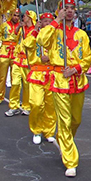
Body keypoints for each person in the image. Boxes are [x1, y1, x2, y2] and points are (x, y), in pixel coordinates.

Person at [37, 0, 91, 177]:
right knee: (65, 121)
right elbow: (41, 40)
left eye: (71, 8)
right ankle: (70, 160)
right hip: (59, 80)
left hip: (77, 80)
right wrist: (56, 21)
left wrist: (75, 69)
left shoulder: (81, 34)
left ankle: (66, 142)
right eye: (65, 8)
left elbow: (87, 58)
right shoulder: (53, 31)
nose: (69, 11)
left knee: (76, 120)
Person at [24, 12, 58, 145]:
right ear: (40, 23)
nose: (48, 23)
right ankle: (36, 130)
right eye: (45, 21)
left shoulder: (56, 36)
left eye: (50, 21)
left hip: (52, 74)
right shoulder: (34, 35)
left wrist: (52, 58)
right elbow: (26, 45)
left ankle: (49, 131)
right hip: (37, 73)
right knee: (36, 104)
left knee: (51, 106)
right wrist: (35, 30)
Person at [5, 10, 36, 117]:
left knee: (27, 86)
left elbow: (30, 45)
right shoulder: (21, 29)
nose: (23, 18)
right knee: (15, 83)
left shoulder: (35, 31)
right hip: (18, 60)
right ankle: (13, 106)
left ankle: (27, 106)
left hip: (28, 61)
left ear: (30, 18)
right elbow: (13, 39)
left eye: (26, 16)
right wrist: (18, 28)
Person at [0, 10, 20, 106]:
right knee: (1, 77)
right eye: (14, 15)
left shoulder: (21, 27)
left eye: (18, 16)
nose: (16, 17)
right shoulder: (4, 26)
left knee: (15, 79)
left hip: (16, 53)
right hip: (4, 52)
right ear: (11, 15)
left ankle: (15, 99)